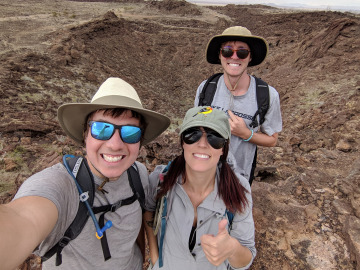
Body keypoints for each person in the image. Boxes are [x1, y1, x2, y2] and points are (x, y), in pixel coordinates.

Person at [0, 77, 170, 270]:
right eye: (102, 129)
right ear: (85, 133)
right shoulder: (61, 186)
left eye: (130, 133)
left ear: (140, 140)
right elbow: (22, 218)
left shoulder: (137, 174)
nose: (115, 144)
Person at [144, 106, 256, 270]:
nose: (202, 144)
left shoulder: (239, 189)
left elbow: (245, 260)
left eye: (214, 138)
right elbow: (149, 209)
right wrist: (155, 258)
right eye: (192, 135)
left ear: (223, 148)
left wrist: (232, 248)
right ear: (182, 142)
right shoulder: (160, 180)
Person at [194, 26, 282, 184]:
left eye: (242, 52)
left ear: (250, 57)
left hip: (239, 179)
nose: (234, 57)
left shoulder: (267, 95)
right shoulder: (206, 88)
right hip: (204, 173)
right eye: (227, 51)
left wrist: (245, 134)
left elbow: (272, 140)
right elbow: (195, 129)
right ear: (220, 55)